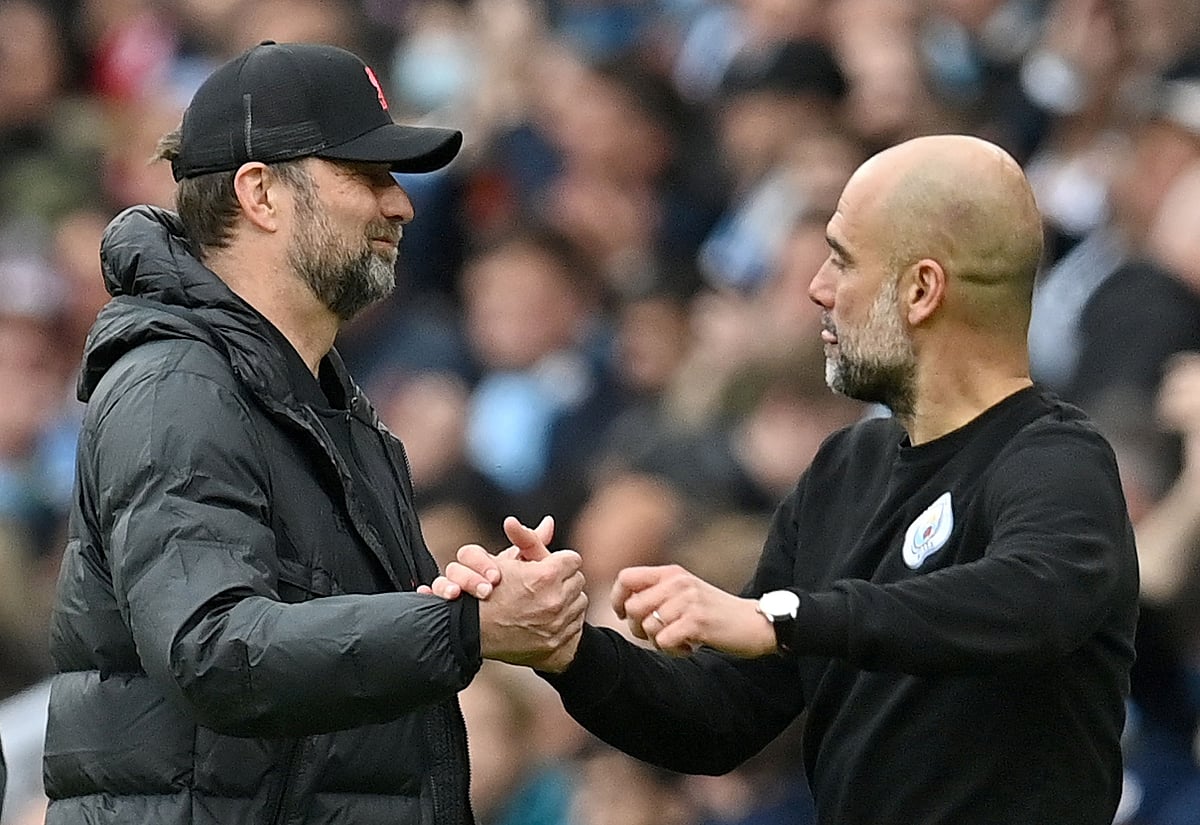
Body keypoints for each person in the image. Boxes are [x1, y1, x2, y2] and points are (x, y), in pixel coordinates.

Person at [433, 134, 1141, 824]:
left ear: (922, 289)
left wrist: (785, 617)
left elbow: (1033, 598)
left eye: (841, 260)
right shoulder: (844, 471)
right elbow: (721, 721)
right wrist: (568, 650)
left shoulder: (1053, 459)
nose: (816, 288)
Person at [41, 41, 586, 825]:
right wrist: (458, 628)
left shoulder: (326, 400)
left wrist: (458, 605)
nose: (400, 203)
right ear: (261, 193)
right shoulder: (177, 386)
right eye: (365, 175)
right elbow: (216, 650)